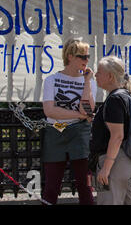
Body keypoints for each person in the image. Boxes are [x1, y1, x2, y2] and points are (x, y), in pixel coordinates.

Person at [41, 38, 97, 205]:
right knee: (51, 186)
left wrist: (86, 82)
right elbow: (50, 111)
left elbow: (87, 110)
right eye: (82, 56)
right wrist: (79, 116)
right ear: (70, 56)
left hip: (79, 134)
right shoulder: (51, 80)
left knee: (85, 186)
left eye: (88, 56)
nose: (86, 60)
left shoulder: (89, 81)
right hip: (55, 131)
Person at [89, 55, 131, 205]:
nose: (95, 75)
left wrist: (106, 168)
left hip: (115, 162)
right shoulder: (127, 96)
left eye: (99, 72)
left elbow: (117, 136)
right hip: (129, 160)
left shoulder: (114, 99)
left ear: (109, 76)